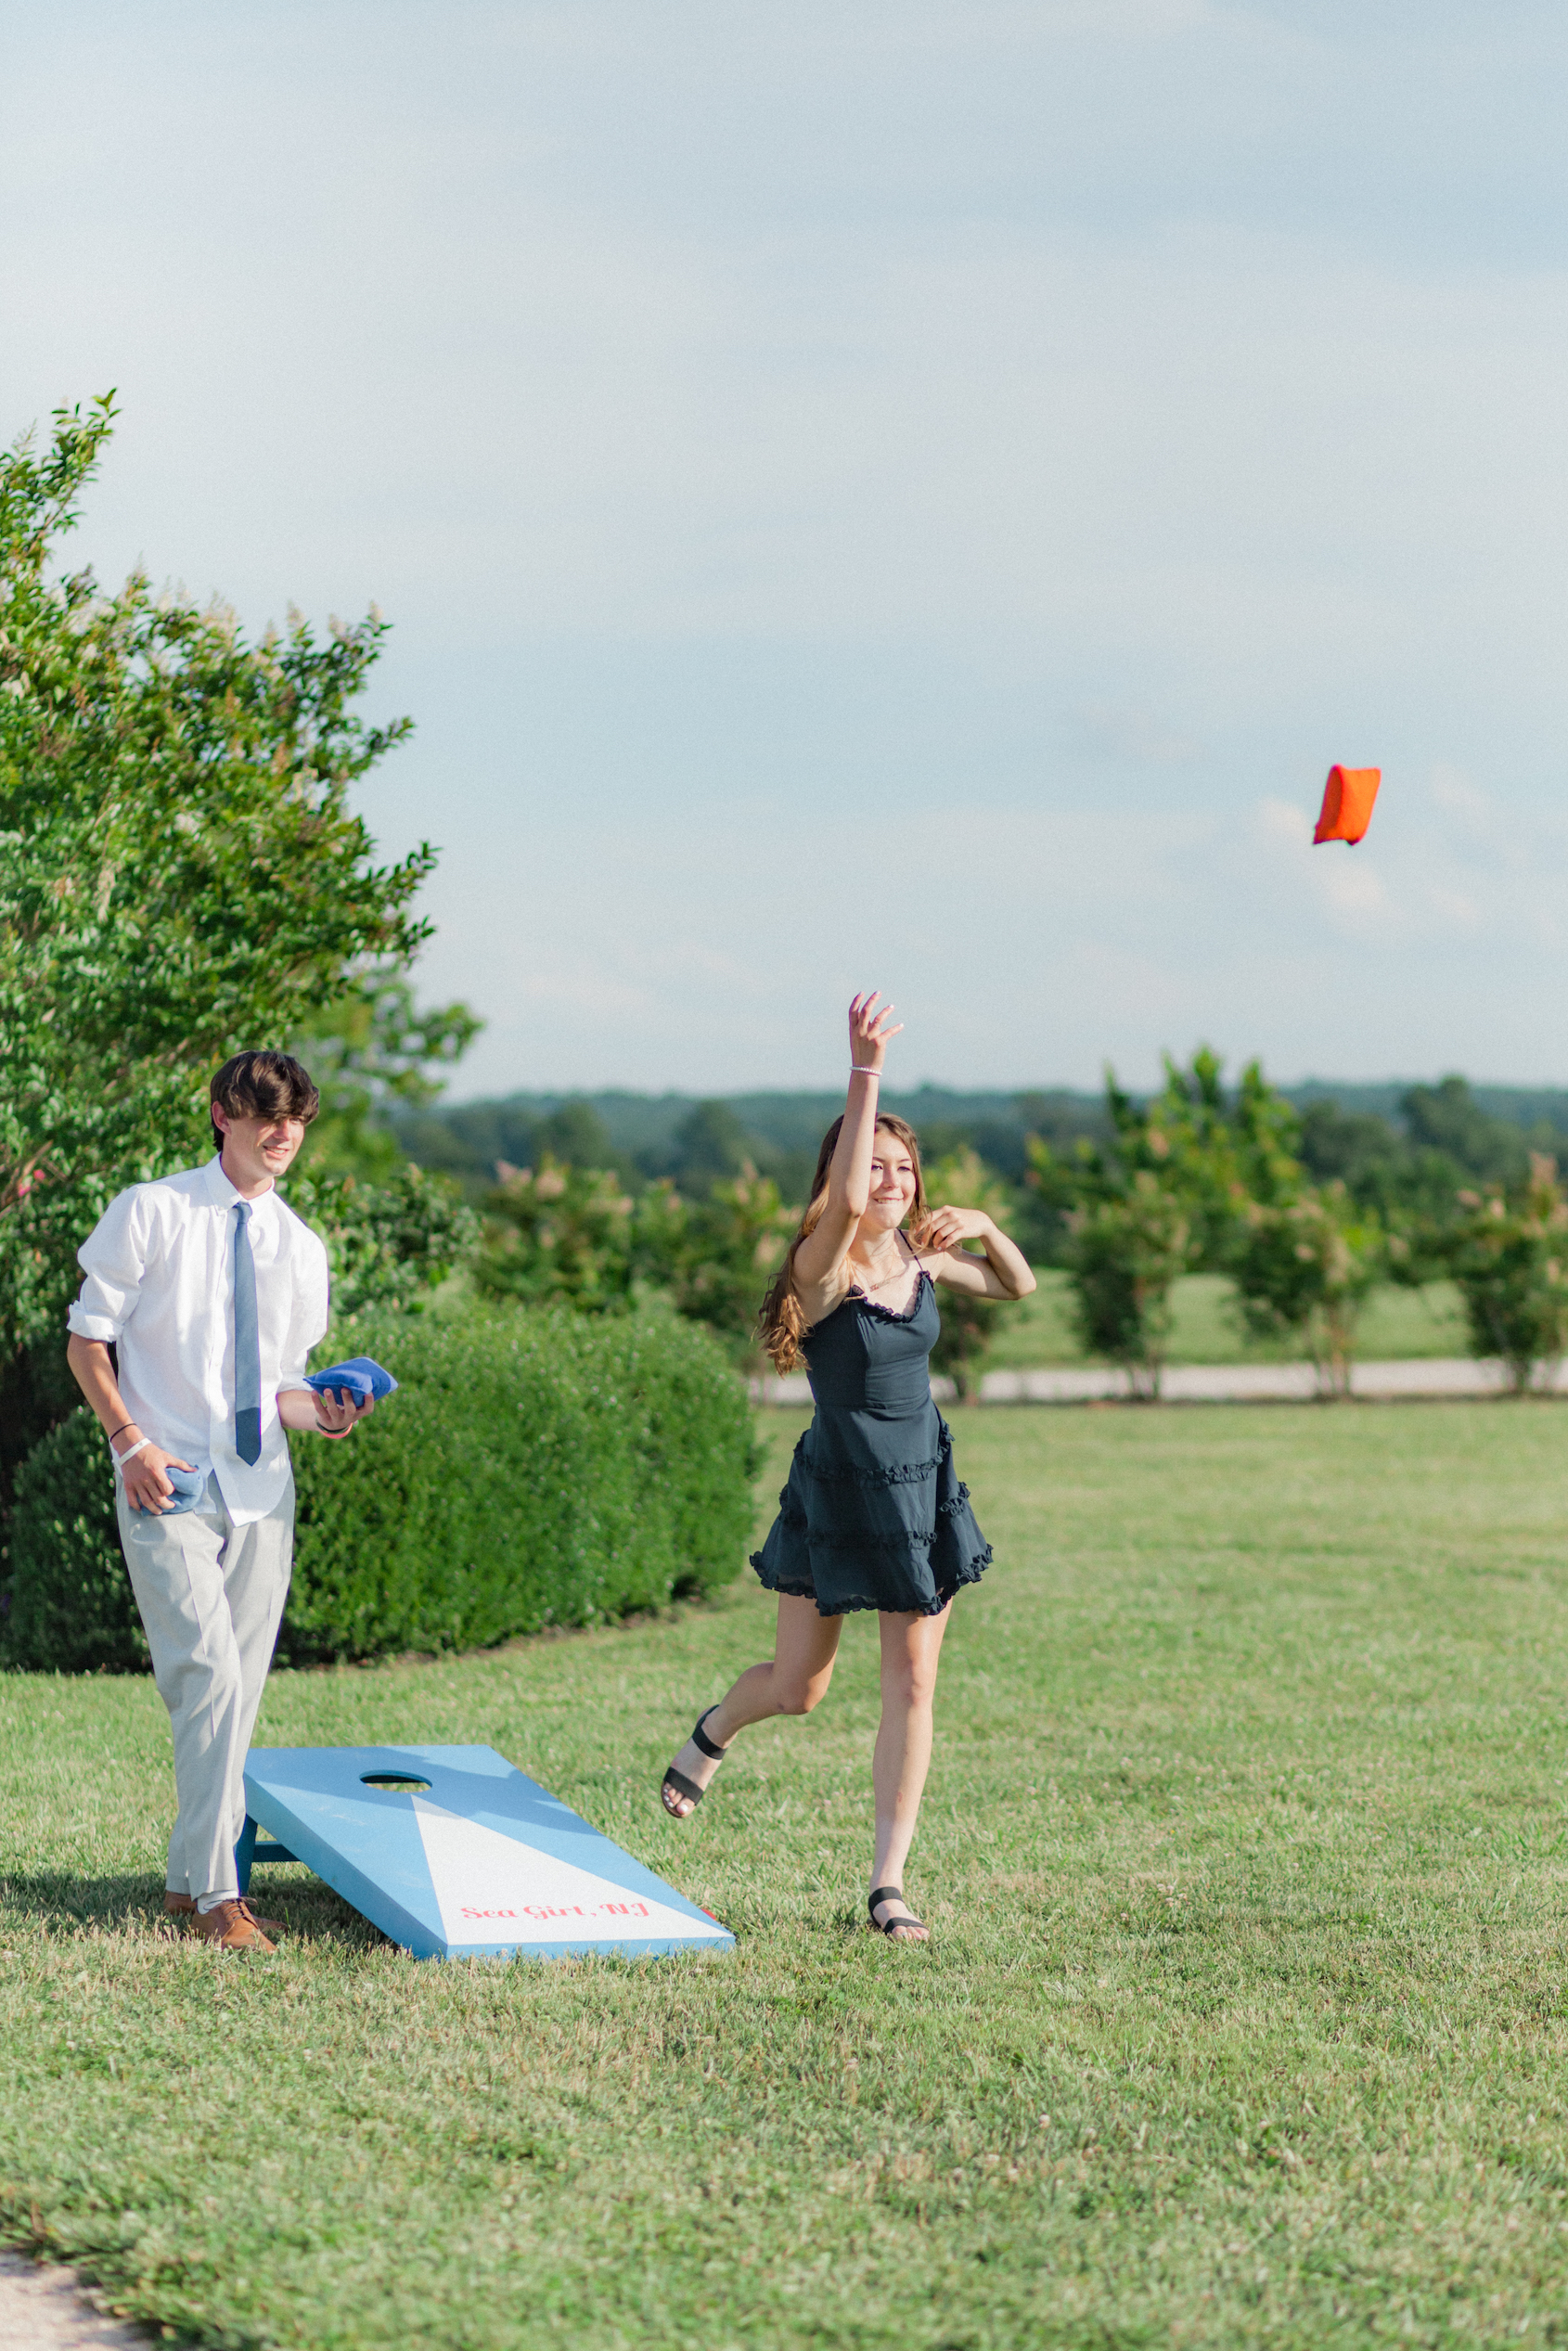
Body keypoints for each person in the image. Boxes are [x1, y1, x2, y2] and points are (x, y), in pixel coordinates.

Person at [660, 993, 1036, 1942]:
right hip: (838, 1485)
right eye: (870, 1163)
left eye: (903, 1168)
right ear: (834, 1173)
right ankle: (714, 1729)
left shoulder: (921, 1259)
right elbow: (837, 1206)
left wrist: (984, 1223)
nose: (889, 1179)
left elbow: (1015, 1283)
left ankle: (887, 1883)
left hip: (920, 1486)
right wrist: (864, 1068)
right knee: (801, 1685)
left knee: (912, 1682)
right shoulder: (821, 1269)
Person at [64, 1050, 372, 1955]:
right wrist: (129, 1438)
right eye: (263, 1113)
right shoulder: (151, 1209)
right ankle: (219, 1897)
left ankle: (182, 1874)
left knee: (234, 1696)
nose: (282, 1132)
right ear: (220, 1114)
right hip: (166, 1481)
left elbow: (279, 1389)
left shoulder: (301, 1246)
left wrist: (326, 1411)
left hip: (262, 1491)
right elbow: (88, 1341)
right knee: (208, 1675)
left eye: (296, 1118)